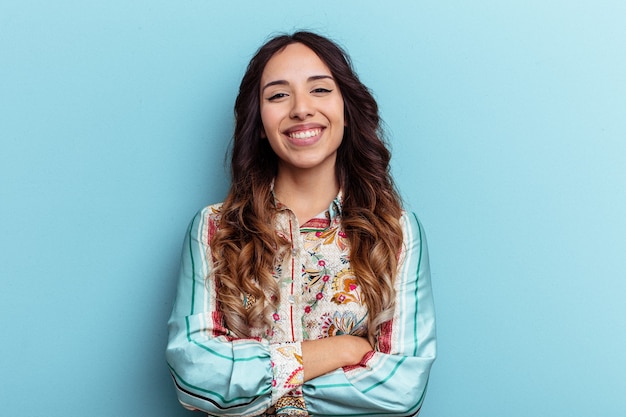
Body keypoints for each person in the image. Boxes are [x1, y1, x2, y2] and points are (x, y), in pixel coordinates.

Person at [166, 31, 436, 417]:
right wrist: (340, 350)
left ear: (346, 109)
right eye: (278, 95)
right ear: (259, 121)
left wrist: (256, 391)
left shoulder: (397, 234)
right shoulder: (213, 230)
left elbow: (400, 390)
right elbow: (195, 377)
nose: (301, 109)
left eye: (320, 90)